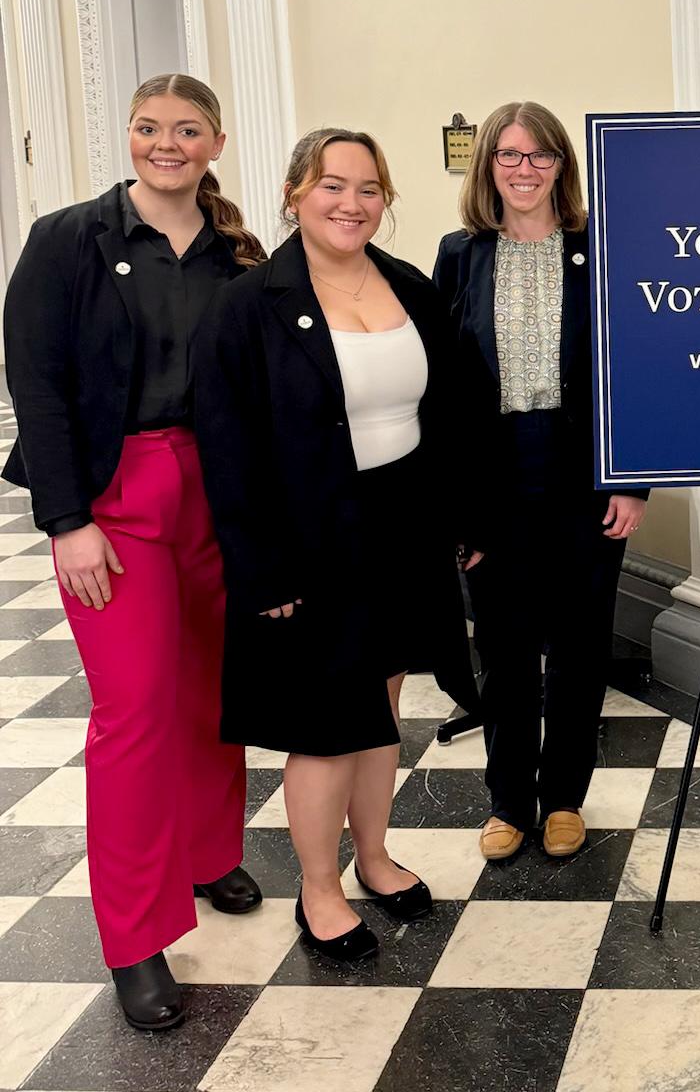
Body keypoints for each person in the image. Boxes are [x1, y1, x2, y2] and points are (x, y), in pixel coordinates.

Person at [1, 74, 265, 1030]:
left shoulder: (236, 251)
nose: (166, 144)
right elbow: (35, 381)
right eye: (149, 128)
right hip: (117, 498)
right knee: (137, 708)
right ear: (129, 136)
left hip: (219, 490)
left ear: (214, 142)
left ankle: (207, 851)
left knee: (209, 685)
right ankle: (136, 938)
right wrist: (67, 522)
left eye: (185, 130)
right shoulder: (69, 239)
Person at [194, 129, 481, 963]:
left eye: (368, 188)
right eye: (332, 186)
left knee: (381, 704)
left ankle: (375, 856)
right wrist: (263, 566)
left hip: (402, 525)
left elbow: (449, 411)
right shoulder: (249, 307)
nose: (352, 203)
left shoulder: (409, 287)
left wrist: (461, 516)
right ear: (294, 195)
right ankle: (318, 890)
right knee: (324, 725)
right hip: (307, 534)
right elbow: (227, 446)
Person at [434, 101, 648, 862]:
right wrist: (457, 508)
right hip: (494, 480)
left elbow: (635, 369)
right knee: (504, 648)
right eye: (509, 156)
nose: (524, 170)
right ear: (487, 164)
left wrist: (632, 482)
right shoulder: (460, 254)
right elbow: (445, 391)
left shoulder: (601, 248)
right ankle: (508, 802)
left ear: (563, 164)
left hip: (584, 476)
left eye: (541, 156)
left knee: (583, 645)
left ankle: (563, 797)